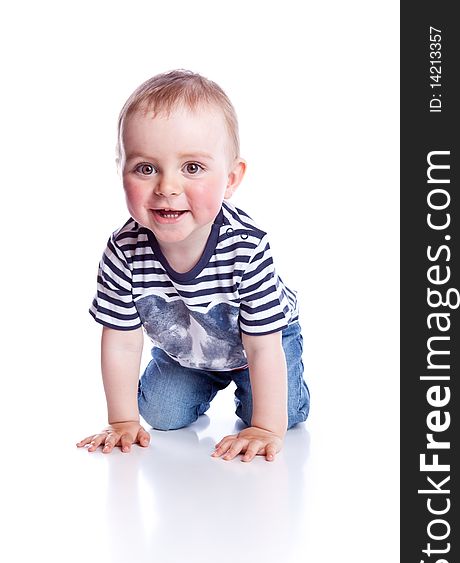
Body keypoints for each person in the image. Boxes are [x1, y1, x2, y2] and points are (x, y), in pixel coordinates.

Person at [76, 69, 310, 462]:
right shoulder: (123, 251)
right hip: (189, 350)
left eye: (193, 168)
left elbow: (261, 343)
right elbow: (122, 339)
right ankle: (204, 381)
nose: (167, 187)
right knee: (160, 415)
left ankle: (281, 395)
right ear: (121, 171)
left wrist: (265, 427)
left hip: (262, 343)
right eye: (146, 168)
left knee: (274, 416)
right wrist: (121, 421)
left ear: (231, 178)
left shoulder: (246, 247)